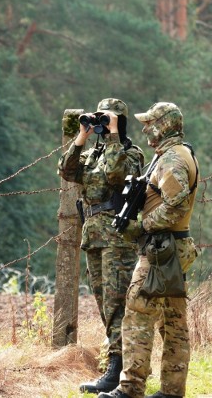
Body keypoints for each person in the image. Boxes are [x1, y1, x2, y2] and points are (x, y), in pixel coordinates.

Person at [99, 102, 200, 398]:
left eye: (150, 123)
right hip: (172, 246)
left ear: (163, 125)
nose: (145, 129)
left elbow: (174, 206)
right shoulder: (173, 155)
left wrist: (143, 226)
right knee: (173, 321)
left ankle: (130, 389)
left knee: (137, 314)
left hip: (162, 248)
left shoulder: (172, 159)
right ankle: (171, 391)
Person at [58, 98, 144, 394]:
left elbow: (115, 175)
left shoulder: (130, 152)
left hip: (118, 238)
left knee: (116, 303)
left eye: (109, 119)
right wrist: (81, 136)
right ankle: (116, 366)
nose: (103, 125)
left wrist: (114, 135)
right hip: (94, 234)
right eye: (102, 120)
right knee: (102, 303)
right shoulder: (92, 153)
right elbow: (67, 172)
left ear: (120, 121)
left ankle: (118, 369)